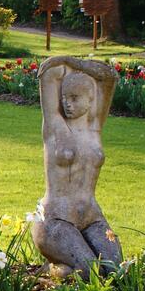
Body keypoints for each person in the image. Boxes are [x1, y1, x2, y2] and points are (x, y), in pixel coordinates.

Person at [31, 55, 122, 276]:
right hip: (56, 220)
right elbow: (47, 72)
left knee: (115, 271)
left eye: (74, 98)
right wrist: (64, 60)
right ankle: (54, 271)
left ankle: (64, 270)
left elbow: (110, 77)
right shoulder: (55, 127)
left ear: (91, 100)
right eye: (64, 97)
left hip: (92, 217)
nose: (66, 103)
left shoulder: (94, 129)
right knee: (90, 273)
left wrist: (78, 65)